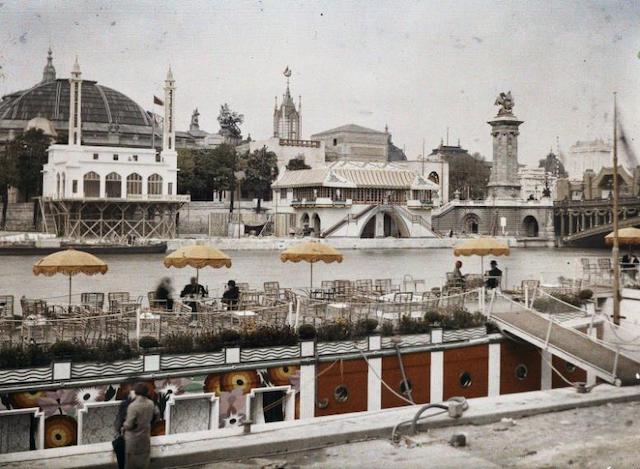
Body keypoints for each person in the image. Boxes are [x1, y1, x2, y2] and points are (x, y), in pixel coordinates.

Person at [121, 382, 158, 469]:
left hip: (133, 440)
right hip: (145, 438)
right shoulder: (151, 403)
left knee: (131, 464)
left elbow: (129, 425)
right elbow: (156, 416)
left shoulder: (133, 406)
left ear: (136, 392)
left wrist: (123, 426)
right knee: (144, 462)